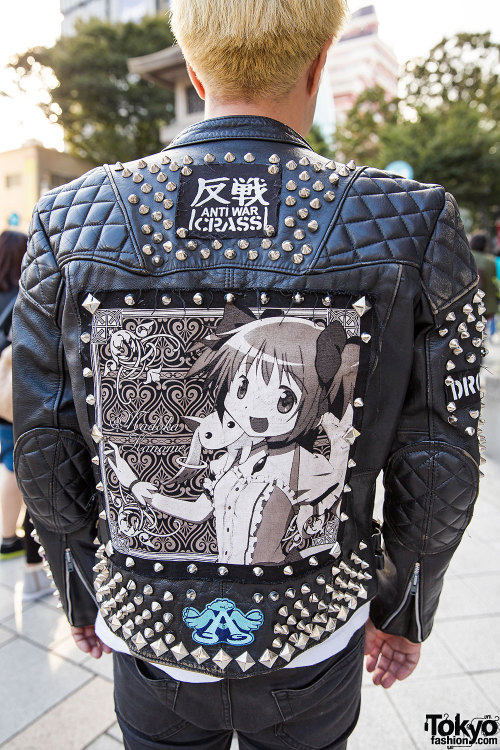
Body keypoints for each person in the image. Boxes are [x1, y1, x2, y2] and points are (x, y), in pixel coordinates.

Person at [12, 0, 482, 747]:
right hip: (316, 627)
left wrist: (78, 594)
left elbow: (45, 442)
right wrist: (404, 609)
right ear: (320, 62)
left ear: (194, 71)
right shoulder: (413, 219)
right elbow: (440, 457)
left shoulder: (69, 220)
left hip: (150, 632)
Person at [0, 230, 50, 600]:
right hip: (22, 399)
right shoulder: (24, 295)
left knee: (8, 466)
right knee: (32, 471)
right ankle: (34, 567)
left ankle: (6, 538)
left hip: (0, 401)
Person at [470, 231, 498, 335]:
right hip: (484, 305)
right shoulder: (490, 261)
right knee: (481, 334)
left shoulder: (466, 257)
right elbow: (492, 284)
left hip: (466, 304)